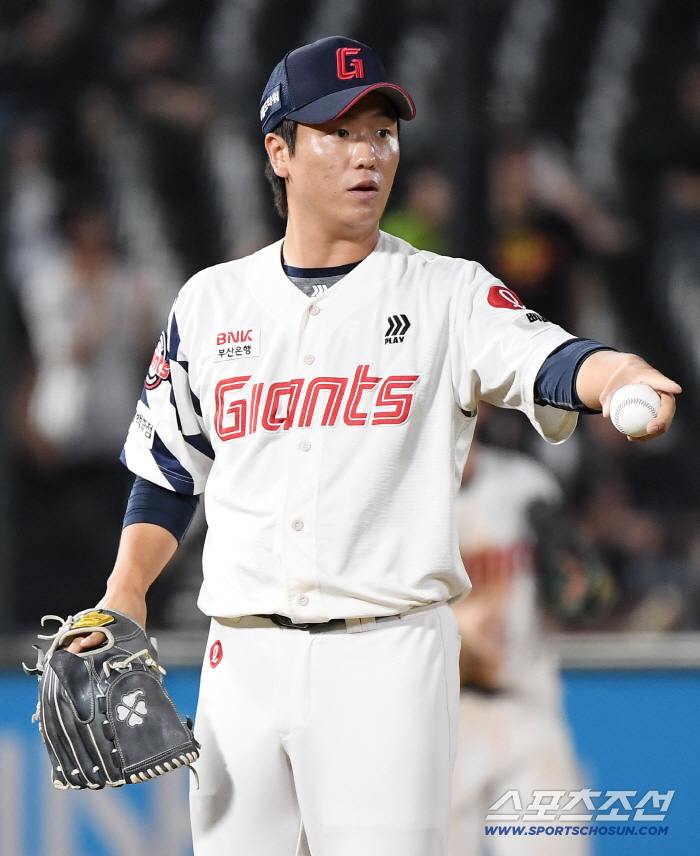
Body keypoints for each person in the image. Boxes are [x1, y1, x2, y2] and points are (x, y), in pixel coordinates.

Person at [67, 36, 679, 856]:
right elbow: (169, 473)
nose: (369, 154)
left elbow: (551, 360)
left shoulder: (447, 292)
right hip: (239, 660)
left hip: (385, 656)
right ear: (279, 152)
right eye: (340, 132)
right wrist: (127, 591)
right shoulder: (211, 303)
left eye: (382, 133)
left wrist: (619, 373)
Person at [449, 424, 604, 855]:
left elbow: (575, 590)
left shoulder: (523, 484)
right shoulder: (395, 492)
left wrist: (579, 586)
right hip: (437, 720)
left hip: (526, 706)